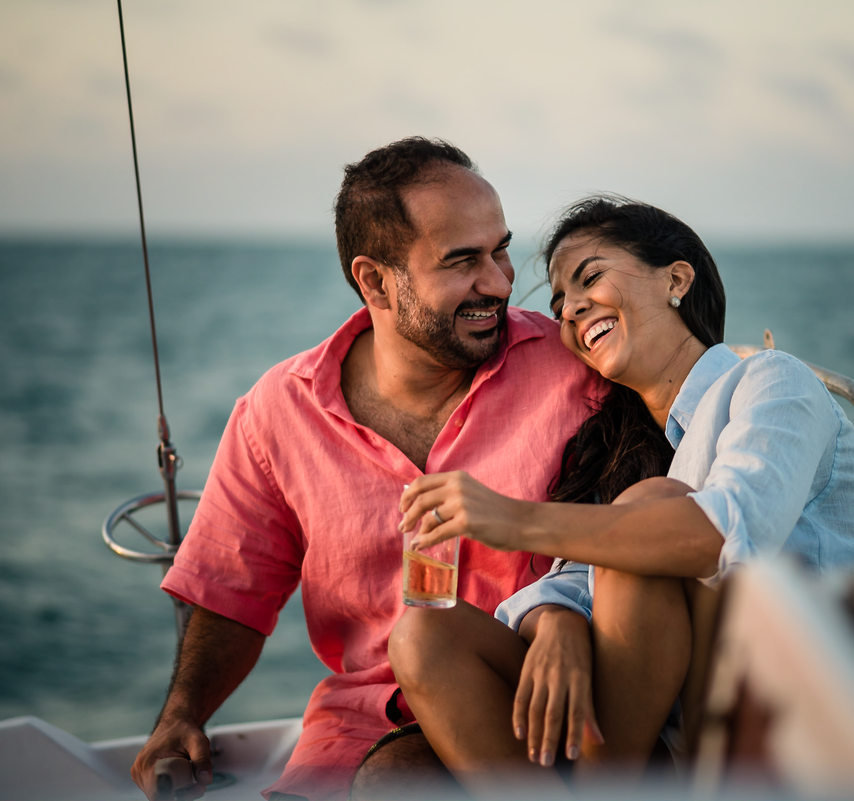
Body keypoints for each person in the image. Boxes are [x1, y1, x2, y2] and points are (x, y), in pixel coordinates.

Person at [129, 138, 607, 801]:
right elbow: (233, 593)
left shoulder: (576, 369)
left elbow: (652, 504)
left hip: (533, 708)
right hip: (354, 725)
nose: (499, 281)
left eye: (499, 249)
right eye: (462, 261)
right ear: (375, 279)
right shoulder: (277, 411)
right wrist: (182, 713)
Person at [389, 197, 854, 792]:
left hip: (811, 714)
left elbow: (724, 534)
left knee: (650, 513)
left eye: (591, 278)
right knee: (425, 636)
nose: (573, 309)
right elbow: (579, 580)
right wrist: (556, 618)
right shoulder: (644, 450)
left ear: (676, 280)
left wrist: (513, 520)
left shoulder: (772, 380)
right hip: (683, 725)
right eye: (560, 304)